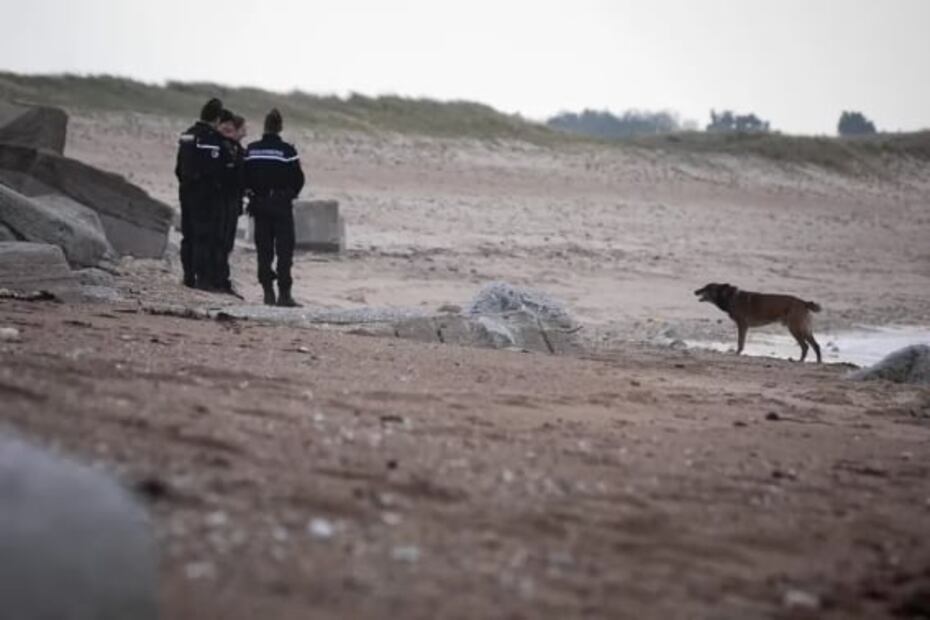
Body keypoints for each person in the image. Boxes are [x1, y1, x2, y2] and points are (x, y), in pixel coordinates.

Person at [243, 109, 305, 307]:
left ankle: (268, 293)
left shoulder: (251, 150)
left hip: (259, 205)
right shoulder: (287, 151)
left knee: (264, 251)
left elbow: (243, 176)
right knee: (284, 251)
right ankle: (284, 295)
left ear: (265, 126)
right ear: (280, 127)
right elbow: (298, 179)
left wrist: (251, 194)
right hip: (280, 205)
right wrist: (289, 195)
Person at [174, 98, 228, 289]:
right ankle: (202, 278)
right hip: (204, 193)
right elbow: (214, 170)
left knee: (188, 234)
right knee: (202, 236)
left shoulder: (187, 135)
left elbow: (179, 167)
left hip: (186, 190)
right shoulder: (210, 139)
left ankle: (188, 275)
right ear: (217, 119)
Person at [214, 110, 245, 296]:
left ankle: (221, 279)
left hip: (232, 200)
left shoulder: (237, 149)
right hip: (225, 200)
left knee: (226, 243)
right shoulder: (227, 149)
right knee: (222, 241)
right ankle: (218, 280)